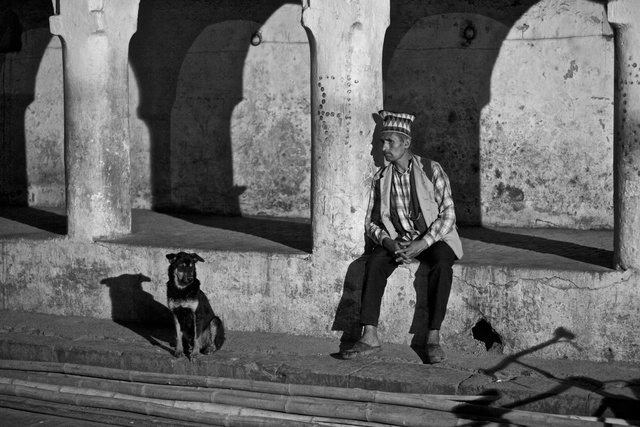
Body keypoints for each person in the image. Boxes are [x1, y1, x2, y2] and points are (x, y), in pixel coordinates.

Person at [341, 110, 463, 363]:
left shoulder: (432, 170)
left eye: (390, 142)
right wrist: (388, 242)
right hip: (399, 239)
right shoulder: (381, 179)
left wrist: (424, 243)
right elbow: (372, 222)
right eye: (382, 142)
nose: (384, 148)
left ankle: (432, 337)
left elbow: (448, 215)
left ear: (406, 143)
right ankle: (370, 335)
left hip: (434, 238)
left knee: (441, 264)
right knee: (374, 262)